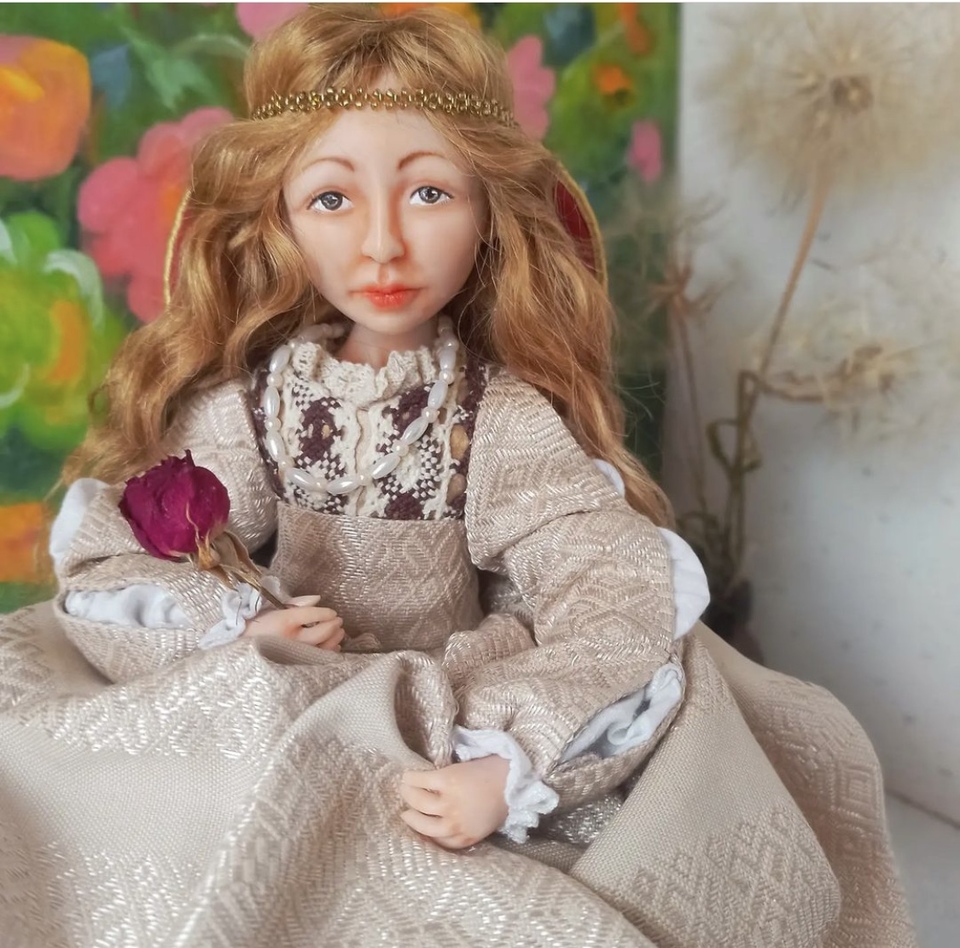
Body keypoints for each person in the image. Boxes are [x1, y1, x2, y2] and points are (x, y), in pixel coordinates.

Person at [0, 6, 914, 947]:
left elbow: (607, 583)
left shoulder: (495, 416)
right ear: (280, 221)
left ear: (487, 211)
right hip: (288, 699)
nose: (383, 244)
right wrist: (239, 626)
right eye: (332, 199)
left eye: (429, 193)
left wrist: (508, 758)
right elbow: (129, 554)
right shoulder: (258, 404)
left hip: (439, 713)